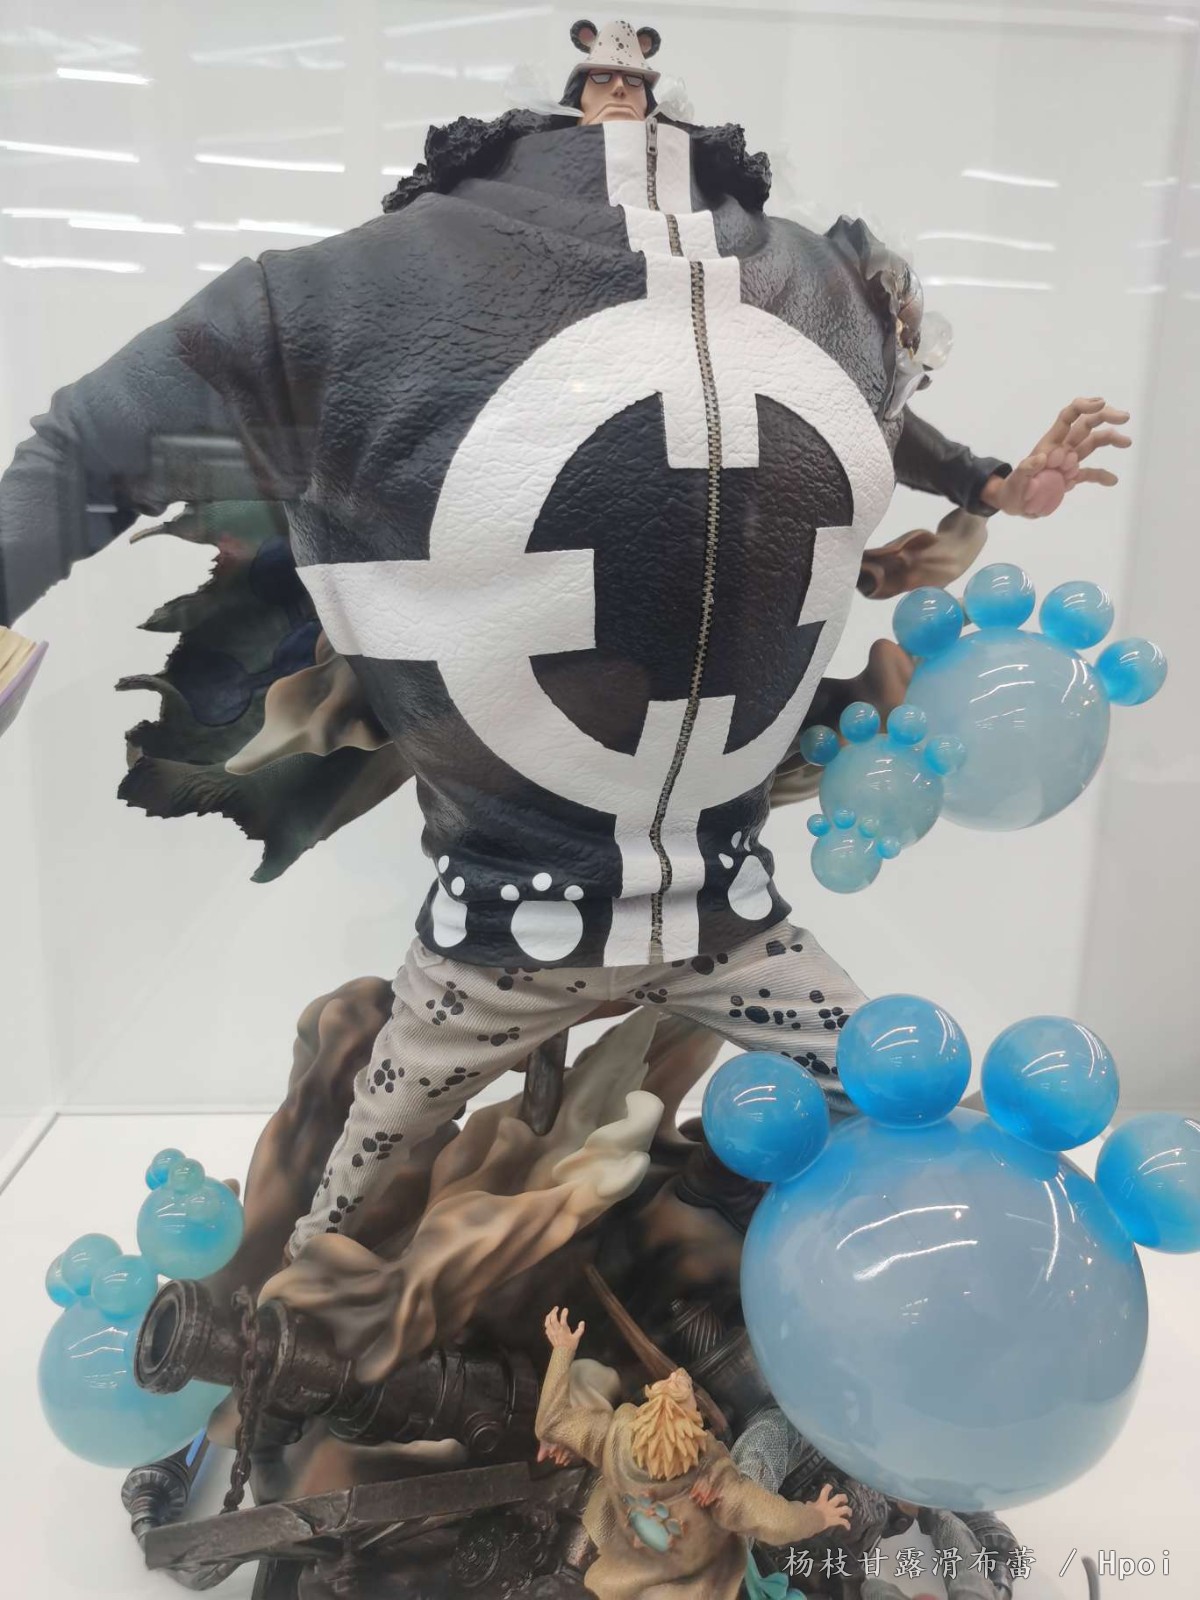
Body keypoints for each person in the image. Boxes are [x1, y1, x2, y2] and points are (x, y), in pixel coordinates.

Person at [0, 19, 1130, 1255]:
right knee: (342, 1220)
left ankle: (314, 1297)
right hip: (548, 918)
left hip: (665, 909)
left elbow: (87, 443)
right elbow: (89, 446)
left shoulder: (806, 294)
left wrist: (990, 482)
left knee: (346, 1228)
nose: (621, 82)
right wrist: (985, 480)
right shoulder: (358, 294)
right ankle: (304, 1310)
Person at [535, 1305, 850, 1599]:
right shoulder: (715, 1481)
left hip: (628, 1566)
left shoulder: (620, 1436)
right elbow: (776, 1519)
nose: (677, 1376)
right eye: (681, 1391)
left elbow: (553, 1421)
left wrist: (562, 1350)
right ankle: (815, 1407)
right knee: (767, 1438)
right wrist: (818, 1516)